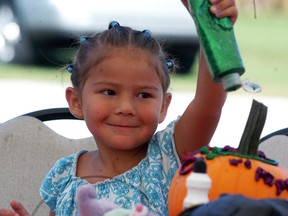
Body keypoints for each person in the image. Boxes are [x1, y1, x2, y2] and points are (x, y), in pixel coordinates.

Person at [0, 0, 238, 215]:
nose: (126, 107)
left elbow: (209, 104)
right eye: (109, 92)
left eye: (144, 95)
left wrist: (211, 28)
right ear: (77, 102)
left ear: (163, 106)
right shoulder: (64, 175)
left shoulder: (169, 155)